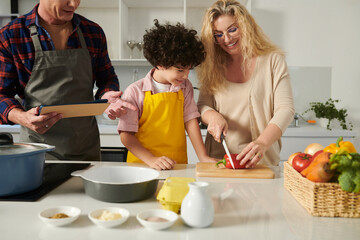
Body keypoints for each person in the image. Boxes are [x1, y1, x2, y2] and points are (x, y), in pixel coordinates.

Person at [0, 0, 136, 160]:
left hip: (86, 149)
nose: (74, 4)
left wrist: (106, 96)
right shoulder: (11, 35)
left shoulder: (92, 32)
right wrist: (22, 118)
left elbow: (107, 79)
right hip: (38, 152)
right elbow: (2, 94)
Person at [197, 0, 295, 167]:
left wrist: (262, 143)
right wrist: (212, 116)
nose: (226, 39)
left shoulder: (272, 60)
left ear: (246, 26)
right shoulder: (212, 65)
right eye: (218, 34)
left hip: (262, 160)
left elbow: (285, 109)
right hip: (220, 159)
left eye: (232, 30)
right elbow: (203, 105)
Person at [118, 20, 218, 170]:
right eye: (180, 70)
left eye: (188, 70)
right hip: (142, 166)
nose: (185, 76)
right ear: (160, 63)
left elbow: (191, 122)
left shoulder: (185, 87)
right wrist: (151, 160)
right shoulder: (135, 91)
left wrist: (202, 156)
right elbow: (126, 135)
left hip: (176, 164)